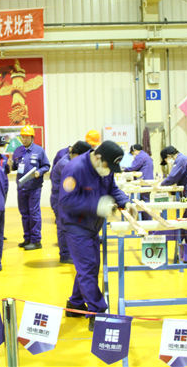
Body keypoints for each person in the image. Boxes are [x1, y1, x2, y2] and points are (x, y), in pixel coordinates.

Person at [59, 141, 137, 331]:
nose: (109, 171)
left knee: (89, 267)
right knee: (88, 268)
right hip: (75, 226)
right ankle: (98, 313)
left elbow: (112, 189)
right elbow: (66, 201)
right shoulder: (75, 169)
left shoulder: (105, 168)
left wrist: (125, 203)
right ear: (98, 157)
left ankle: (76, 303)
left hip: (92, 225)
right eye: (108, 166)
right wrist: (97, 206)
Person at [50, 140, 92, 264]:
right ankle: (65, 255)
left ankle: (72, 253)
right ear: (77, 154)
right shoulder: (65, 164)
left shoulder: (72, 161)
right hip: (60, 201)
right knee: (64, 228)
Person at [11, 125, 50, 250]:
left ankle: (36, 241)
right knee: (24, 214)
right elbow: (15, 167)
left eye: (26, 137)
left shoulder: (39, 151)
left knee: (34, 213)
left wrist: (39, 172)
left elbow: (46, 166)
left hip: (34, 187)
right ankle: (27, 238)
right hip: (21, 187)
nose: (24, 139)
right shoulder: (17, 151)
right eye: (22, 137)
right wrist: (10, 164)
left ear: (32, 137)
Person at [160, 146, 187, 238]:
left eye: (166, 160)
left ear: (169, 156)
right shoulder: (183, 159)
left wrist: (160, 185)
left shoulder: (181, 159)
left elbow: (172, 177)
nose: (168, 163)